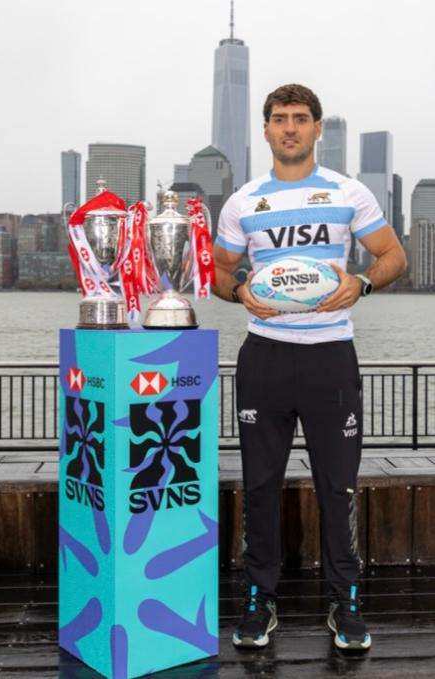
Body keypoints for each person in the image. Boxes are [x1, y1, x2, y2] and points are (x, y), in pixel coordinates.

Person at [212, 83, 407, 651]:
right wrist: (240, 290)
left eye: (301, 118)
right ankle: (260, 601)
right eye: (280, 119)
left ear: (318, 128)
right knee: (260, 485)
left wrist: (361, 282)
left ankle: (346, 603)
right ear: (266, 130)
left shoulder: (348, 192)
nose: (290, 128)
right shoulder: (244, 202)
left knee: (338, 487)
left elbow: (393, 255)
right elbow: (219, 270)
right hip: (265, 356)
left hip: (330, 357)